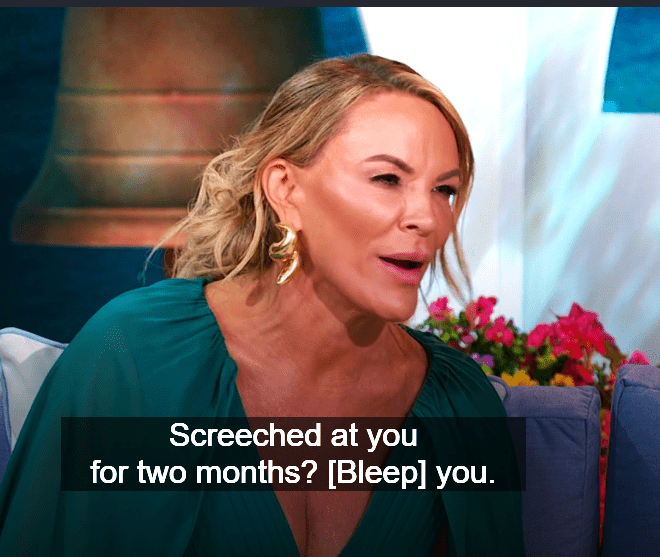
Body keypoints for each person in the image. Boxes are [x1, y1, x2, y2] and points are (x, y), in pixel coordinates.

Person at [0, 54, 524, 556]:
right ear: (285, 189)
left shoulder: (459, 405)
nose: (427, 219)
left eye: (444, 190)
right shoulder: (133, 353)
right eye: (387, 179)